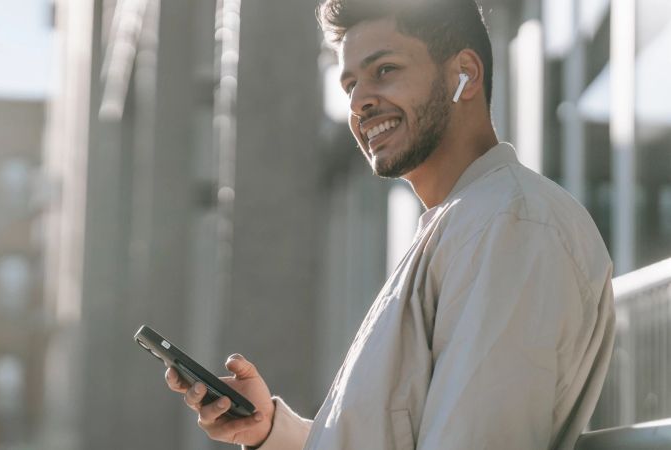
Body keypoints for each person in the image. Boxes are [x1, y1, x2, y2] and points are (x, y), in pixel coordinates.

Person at [164, 0, 616, 448]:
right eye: (350, 86)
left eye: (385, 70)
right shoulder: (465, 224)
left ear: (466, 74)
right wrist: (270, 429)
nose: (360, 102)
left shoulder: (509, 226)